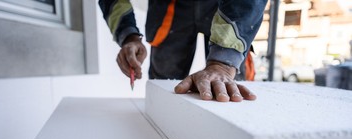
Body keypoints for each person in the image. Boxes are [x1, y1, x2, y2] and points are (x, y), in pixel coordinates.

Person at [99, 0, 267, 102]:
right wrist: (128, 35)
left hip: (229, 5)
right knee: (163, 93)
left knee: (227, 87)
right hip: (168, 10)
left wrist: (223, 62)